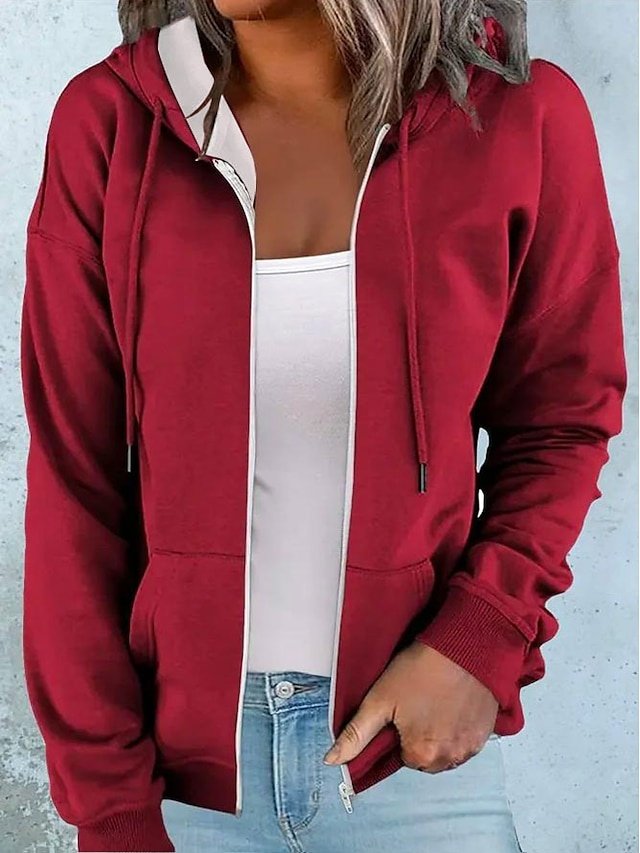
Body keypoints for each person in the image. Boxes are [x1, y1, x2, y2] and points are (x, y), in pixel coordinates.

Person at [19, 1, 627, 851]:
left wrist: (480, 635)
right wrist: (112, 810)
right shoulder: (113, 126)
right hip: (175, 787)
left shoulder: (519, 121)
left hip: (409, 768)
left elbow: (562, 419)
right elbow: (73, 486)